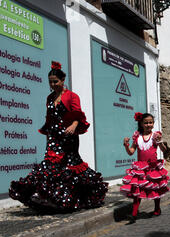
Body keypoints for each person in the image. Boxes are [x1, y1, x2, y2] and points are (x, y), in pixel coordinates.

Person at [9, 61, 108, 211]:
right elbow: (49, 117)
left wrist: (74, 125)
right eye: (50, 82)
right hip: (54, 137)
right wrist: (47, 132)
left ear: (62, 80)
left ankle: (72, 197)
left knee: (69, 165)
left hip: (68, 137)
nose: (53, 84)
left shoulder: (72, 96)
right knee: (50, 164)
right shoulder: (49, 98)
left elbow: (78, 114)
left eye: (55, 81)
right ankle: (49, 196)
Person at [120, 112, 169, 223]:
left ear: (153, 123)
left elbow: (164, 150)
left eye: (150, 122)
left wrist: (160, 141)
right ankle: (134, 213)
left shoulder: (155, 136)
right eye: (146, 123)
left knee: (155, 188)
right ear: (141, 124)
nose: (148, 125)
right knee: (137, 190)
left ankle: (157, 209)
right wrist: (126, 146)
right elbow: (131, 152)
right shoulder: (137, 137)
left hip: (153, 167)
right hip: (140, 168)